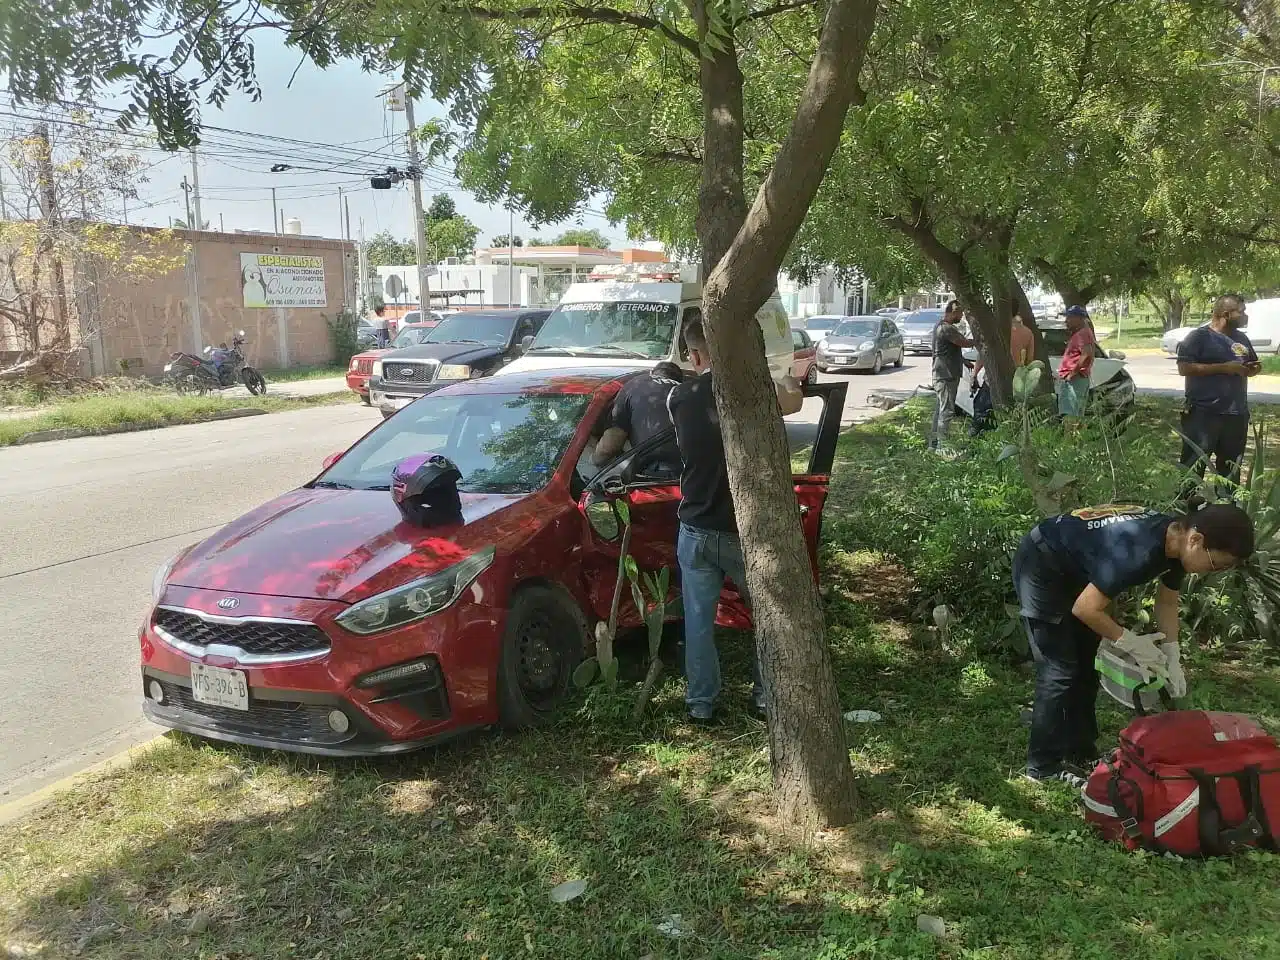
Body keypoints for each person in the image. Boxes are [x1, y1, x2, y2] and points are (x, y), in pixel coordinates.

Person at [1012, 502, 1254, 784]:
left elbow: (1166, 601)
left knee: (1086, 667)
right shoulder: (1138, 550)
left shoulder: (1176, 542)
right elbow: (1086, 609)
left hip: (1077, 571)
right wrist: (1131, 642)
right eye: (1215, 565)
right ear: (1196, 540)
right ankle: (1043, 767)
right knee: (1060, 672)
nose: (1211, 573)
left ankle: (1080, 750)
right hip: (1043, 565)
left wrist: (1172, 655)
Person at [667, 320, 803, 722]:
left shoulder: (679, 396)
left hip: (695, 528)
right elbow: (792, 401)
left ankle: (701, 705)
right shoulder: (751, 388)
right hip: (746, 530)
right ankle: (766, 698)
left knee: (698, 622)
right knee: (767, 616)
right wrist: (781, 376)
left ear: (694, 356)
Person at [1177, 294, 1260, 494]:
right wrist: (1224, 367)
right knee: (1193, 468)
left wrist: (1253, 369)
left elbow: (1250, 363)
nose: (1245, 315)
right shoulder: (1199, 337)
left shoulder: (1241, 338)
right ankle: (1185, 516)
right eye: (1241, 311)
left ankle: (1224, 515)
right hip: (1203, 414)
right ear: (1226, 314)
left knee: (1230, 472)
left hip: (1236, 415)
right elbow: (1184, 368)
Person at [591, 362, 684, 476]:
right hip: (692, 470)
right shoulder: (687, 390)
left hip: (654, 474)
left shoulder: (634, 385)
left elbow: (608, 448)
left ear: (651, 373)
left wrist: (592, 460)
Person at [929, 300, 974, 451]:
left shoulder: (942, 327)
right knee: (946, 411)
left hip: (943, 374)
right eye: (960, 314)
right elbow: (964, 343)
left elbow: (950, 350)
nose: (961, 317)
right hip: (946, 375)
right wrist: (980, 340)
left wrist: (964, 361)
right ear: (953, 312)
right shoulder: (946, 328)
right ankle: (942, 446)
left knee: (941, 410)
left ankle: (934, 444)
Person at [1055, 305, 1095, 420]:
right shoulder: (1082, 333)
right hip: (1076, 379)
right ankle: (1074, 437)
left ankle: (1069, 438)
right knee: (1076, 416)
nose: (1066, 321)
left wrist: (1072, 373)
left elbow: (1086, 353)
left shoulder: (1083, 334)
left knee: (1070, 416)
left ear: (1079, 318)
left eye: (1069, 317)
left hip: (1075, 380)